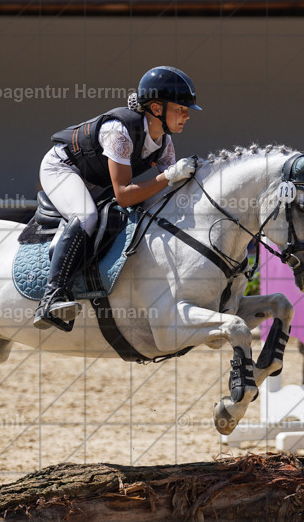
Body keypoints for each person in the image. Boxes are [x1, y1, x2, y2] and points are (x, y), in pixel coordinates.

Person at [33, 66, 201, 331]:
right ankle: (52, 295)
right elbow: (123, 195)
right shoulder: (119, 132)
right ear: (157, 109)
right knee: (86, 216)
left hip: (98, 178)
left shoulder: (164, 142)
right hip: (63, 168)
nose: (186, 115)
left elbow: (166, 191)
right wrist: (169, 176)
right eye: (180, 108)